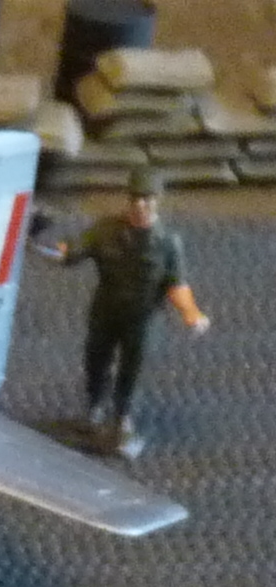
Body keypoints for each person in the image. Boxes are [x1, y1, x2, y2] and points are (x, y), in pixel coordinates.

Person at [50, 166, 210, 451]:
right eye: (135, 198)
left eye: (147, 199)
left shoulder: (167, 242)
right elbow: (74, 251)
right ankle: (94, 408)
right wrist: (56, 250)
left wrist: (190, 312)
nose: (140, 204)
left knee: (131, 368)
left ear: (157, 200)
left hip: (141, 318)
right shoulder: (105, 229)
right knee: (96, 360)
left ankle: (121, 417)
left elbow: (176, 283)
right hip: (106, 311)